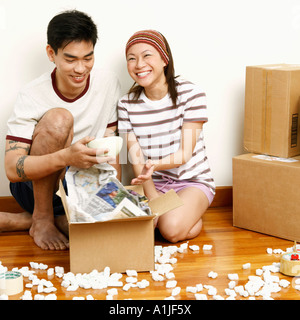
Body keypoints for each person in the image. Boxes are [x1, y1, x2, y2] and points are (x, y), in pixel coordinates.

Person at [2, 10, 121, 250]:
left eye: (88, 58)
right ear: (51, 53)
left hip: (80, 186)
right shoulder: (32, 94)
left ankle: (28, 220)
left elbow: (111, 145)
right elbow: (12, 169)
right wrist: (66, 157)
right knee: (59, 118)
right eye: (70, 59)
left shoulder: (108, 83)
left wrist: (113, 192)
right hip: (35, 188)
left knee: (107, 231)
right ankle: (43, 217)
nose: (80, 68)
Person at [118, 30, 215, 243]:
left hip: (191, 182)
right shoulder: (126, 104)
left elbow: (184, 154)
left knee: (169, 230)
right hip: (153, 183)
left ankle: (186, 215)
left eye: (147, 55)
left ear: (164, 59)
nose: (139, 64)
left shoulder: (191, 94)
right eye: (131, 59)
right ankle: (181, 216)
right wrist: (152, 195)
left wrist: (153, 165)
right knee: (139, 228)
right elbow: (136, 157)